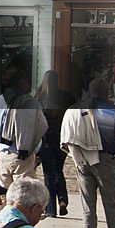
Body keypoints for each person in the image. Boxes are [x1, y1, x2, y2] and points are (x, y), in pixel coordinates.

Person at [62, 77, 115, 228]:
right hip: (105, 160)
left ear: (90, 91)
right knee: (112, 206)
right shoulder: (113, 110)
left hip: (82, 160)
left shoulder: (74, 109)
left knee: (88, 207)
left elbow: (66, 137)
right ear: (106, 91)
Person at [0, 67, 47, 187]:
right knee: (25, 196)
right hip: (23, 155)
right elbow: (41, 126)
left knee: (5, 196)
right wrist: (35, 150)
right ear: (20, 83)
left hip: (3, 155)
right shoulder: (29, 103)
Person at [35, 69, 74, 217]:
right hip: (61, 138)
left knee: (49, 173)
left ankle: (50, 208)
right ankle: (62, 200)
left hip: (45, 140)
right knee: (58, 170)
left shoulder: (39, 98)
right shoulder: (67, 97)